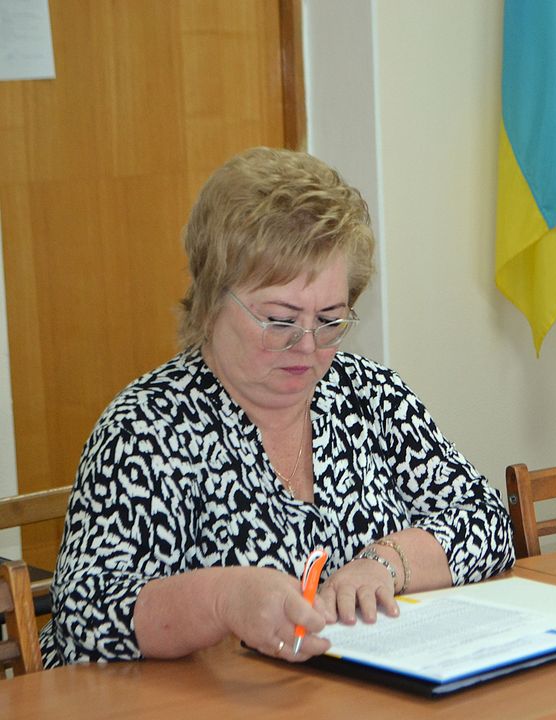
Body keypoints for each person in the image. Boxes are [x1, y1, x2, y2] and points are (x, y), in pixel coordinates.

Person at [41, 147, 514, 667]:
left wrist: (384, 563)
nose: (307, 346)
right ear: (212, 299)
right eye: (281, 320)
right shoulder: (145, 429)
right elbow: (84, 616)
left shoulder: (369, 395)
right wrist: (223, 600)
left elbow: (486, 519)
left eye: (330, 320)